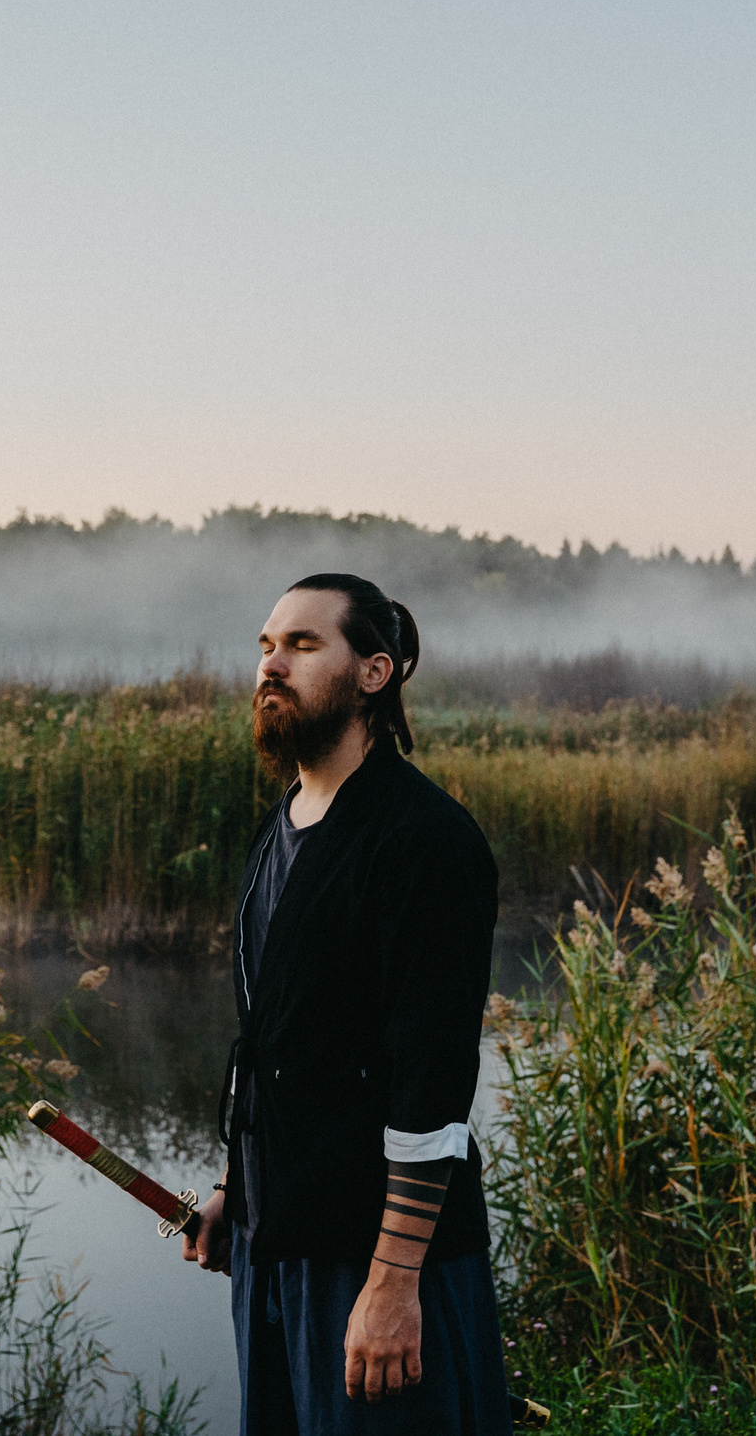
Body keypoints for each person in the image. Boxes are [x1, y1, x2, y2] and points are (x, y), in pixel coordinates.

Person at [182, 574, 513, 1435]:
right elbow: (276, 1041)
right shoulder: (282, 822)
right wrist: (234, 1187)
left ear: (375, 673)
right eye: (265, 647)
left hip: (373, 1264)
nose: (271, 666)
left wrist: (396, 1282)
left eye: (301, 644)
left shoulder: (423, 840)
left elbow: (431, 1084)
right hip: (275, 1241)